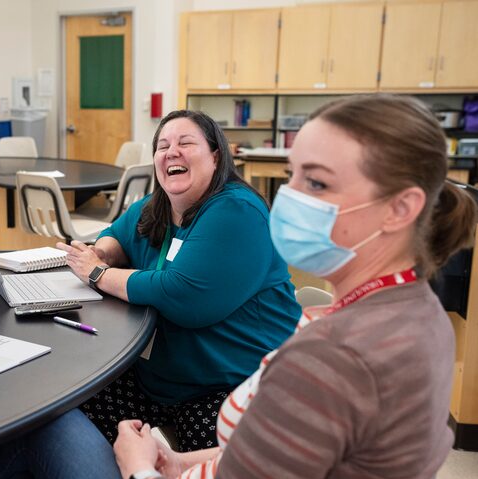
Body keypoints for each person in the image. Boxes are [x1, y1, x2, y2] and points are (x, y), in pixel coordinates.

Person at [0, 94, 476, 479]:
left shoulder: (334, 359)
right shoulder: (407, 316)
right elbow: (278, 463)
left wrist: (143, 472)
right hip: (208, 470)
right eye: (293, 176)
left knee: (49, 423)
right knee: (40, 470)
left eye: (315, 182)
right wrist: (183, 465)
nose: (287, 200)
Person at [57, 110, 300, 451]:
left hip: (231, 384)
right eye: (163, 146)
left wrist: (98, 273)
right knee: (64, 426)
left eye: (186, 143)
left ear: (216, 156)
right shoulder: (160, 206)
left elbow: (183, 296)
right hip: (159, 379)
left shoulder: (237, 212)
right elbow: (117, 234)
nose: (172, 152)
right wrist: (105, 253)